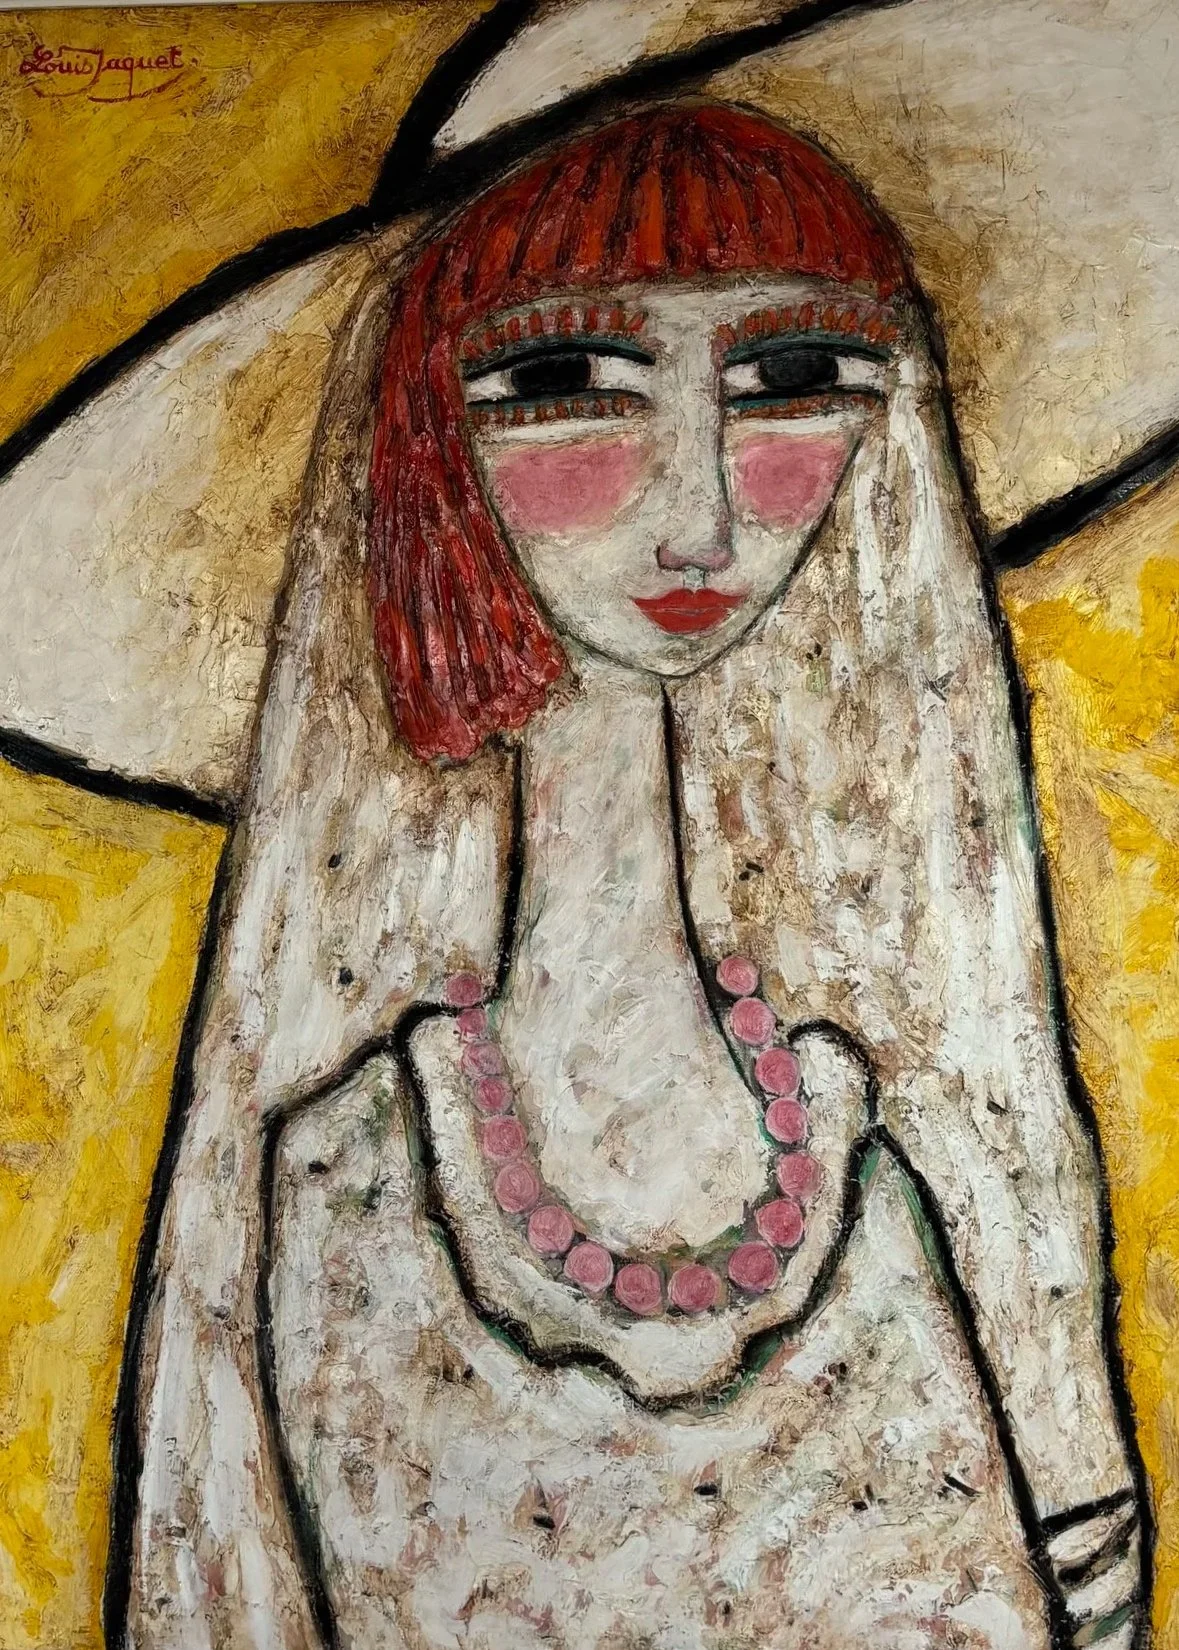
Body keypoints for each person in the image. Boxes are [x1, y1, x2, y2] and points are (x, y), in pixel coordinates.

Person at [123, 103, 1144, 1649]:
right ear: (425, 438)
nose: (696, 516)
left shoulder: (893, 1165)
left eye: (789, 381)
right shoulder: (338, 1192)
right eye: (562, 385)